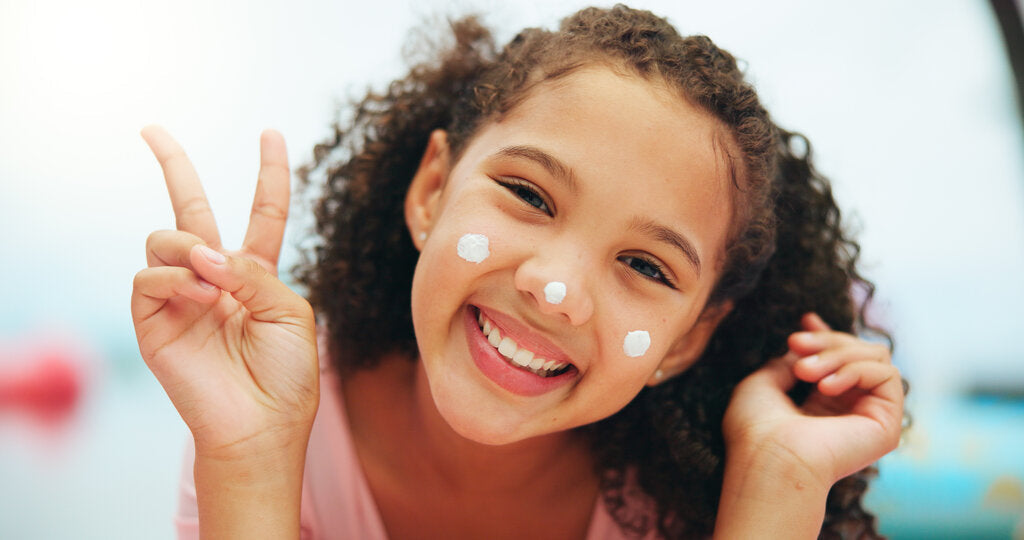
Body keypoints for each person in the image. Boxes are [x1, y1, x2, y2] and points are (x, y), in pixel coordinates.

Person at [131, 5, 905, 539]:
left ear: (687, 337)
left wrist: (778, 486)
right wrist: (252, 460)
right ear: (433, 189)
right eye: (529, 195)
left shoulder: (688, 506)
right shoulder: (272, 423)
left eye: (644, 264)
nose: (555, 287)